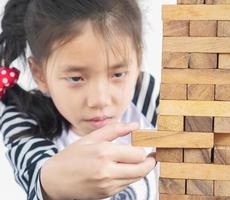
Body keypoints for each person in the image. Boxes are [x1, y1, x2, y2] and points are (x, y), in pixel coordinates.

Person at [0, 0, 160, 200]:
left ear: (138, 60)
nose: (100, 100)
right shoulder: (24, 117)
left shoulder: (144, 91)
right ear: (39, 74)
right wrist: (54, 181)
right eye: (76, 78)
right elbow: (34, 175)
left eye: (118, 74)